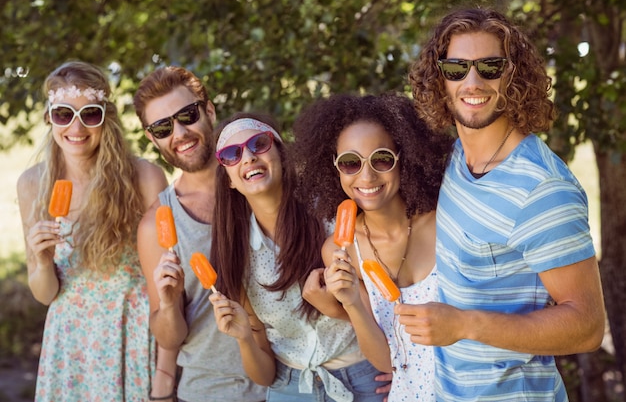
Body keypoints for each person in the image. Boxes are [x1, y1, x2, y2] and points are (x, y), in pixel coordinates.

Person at [401, 7, 606, 400]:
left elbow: (588, 326)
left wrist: (463, 325)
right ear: (440, 78)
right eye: (456, 68)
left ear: (514, 75)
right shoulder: (459, 155)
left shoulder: (542, 189)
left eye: (490, 66)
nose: (472, 82)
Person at [208, 113, 387, 402]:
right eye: (232, 154)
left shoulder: (333, 214)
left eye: (259, 143)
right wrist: (244, 339)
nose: (249, 157)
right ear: (228, 179)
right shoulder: (235, 254)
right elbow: (264, 375)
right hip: (290, 389)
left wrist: (399, 367)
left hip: (365, 377)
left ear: (281, 154)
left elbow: (385, 309)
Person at [17, 60, 168, 401]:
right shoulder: (32, 185)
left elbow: (166, 283)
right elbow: (45, 294)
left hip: (130, 332)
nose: (76, 126)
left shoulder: (144, 178)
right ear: (48, 118)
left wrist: (165, 372)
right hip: (70, 345)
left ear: (106, 118)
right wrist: (41, 262)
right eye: (63, 114)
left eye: (89, 114)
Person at [291, 93, 453, 401]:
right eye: (350, 163)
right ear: (335, 168)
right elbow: (384, 360)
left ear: (403, 157)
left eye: (381, 158)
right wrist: (350, 303)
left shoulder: (444, 223)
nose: (366, 176)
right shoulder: (342, 251)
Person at [133, 66, 267, 402]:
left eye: (187, 115)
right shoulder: (156, 225)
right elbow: (169, 336)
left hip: (292, 382)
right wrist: (167, 304)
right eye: (163, 127)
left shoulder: (260, 179)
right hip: (212, 390)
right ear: (152, 138)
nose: (179, 133)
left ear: (209, 111)